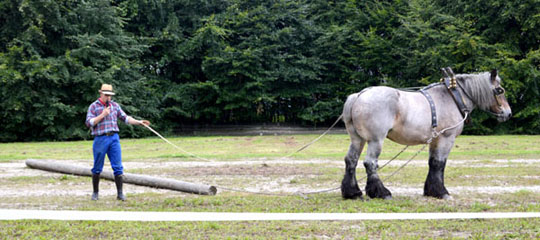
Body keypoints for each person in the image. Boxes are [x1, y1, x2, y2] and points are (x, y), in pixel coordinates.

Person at [85, 84, 150, 201]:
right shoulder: (93, 106)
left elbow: (125, 118)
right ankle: (95, 193)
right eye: (106, 95)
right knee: (97, 167)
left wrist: (139, 122)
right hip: (100, 138)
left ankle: (120, 194)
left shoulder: (115, 106)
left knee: (118, 166)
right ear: (101, 94)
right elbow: (89, 122)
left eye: (110, 95)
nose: (108, 97)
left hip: (114, 138)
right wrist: (103, 115)